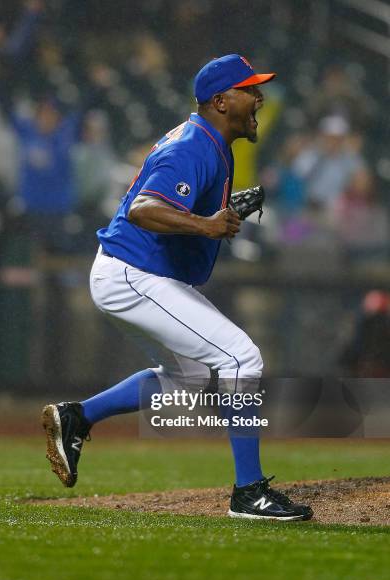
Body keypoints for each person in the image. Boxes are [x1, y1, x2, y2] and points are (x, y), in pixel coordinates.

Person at [42, 54, 313, 522]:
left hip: (136, 272)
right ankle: (248, 492)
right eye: (250, 89)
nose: (259, 98)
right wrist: (206, 223)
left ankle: (77, 417)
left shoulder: (211, 141)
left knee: (189, 376)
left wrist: (220, 213)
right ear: (221, 100)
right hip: (132, 273)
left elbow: (176, 210)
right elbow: (142, 209)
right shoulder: (193, 145)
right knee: (240, 357)